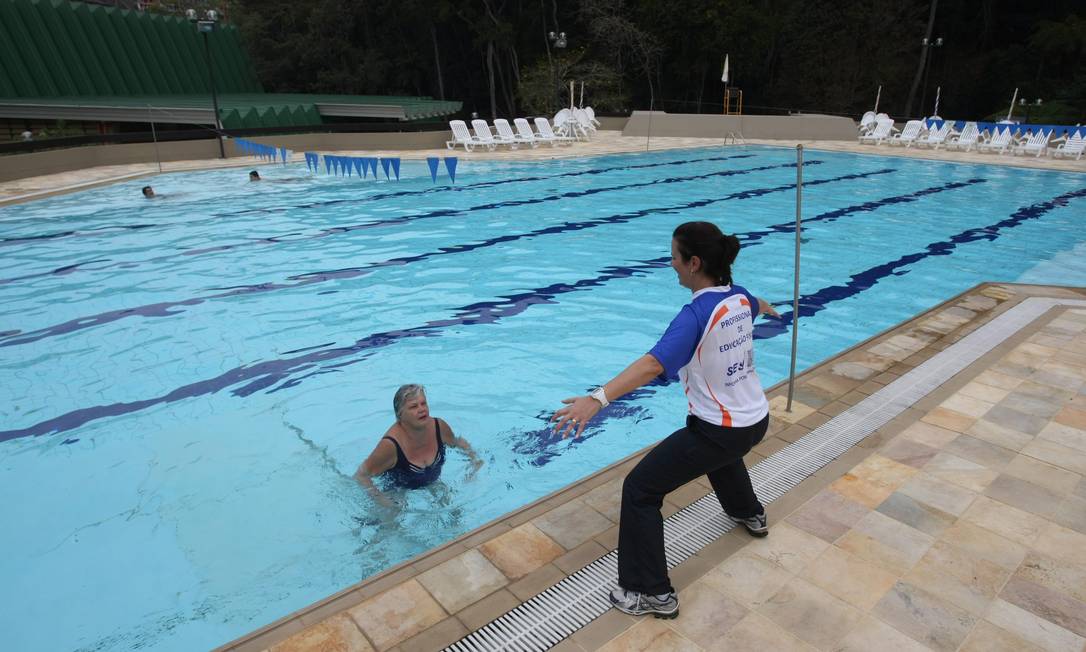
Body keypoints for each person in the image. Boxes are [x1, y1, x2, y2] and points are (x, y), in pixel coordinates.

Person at [552, 221, 780, 619]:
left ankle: (650, 592)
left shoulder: (694, 316)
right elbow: (755, 303)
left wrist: (597, 399)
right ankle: (750, 512)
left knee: (640, 489)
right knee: (722, 454)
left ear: (694, 263)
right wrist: (766, 306)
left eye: (674, 256)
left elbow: (653, 364)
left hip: (720, 430)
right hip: (756, 419)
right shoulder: (740, 298)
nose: (670, 263)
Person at [355, 384, 481, 506]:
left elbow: (457, 442)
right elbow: (361, 475)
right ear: (400, 414)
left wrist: (475, 460)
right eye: (414, 406)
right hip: (398, 489)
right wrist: (381, 499)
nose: (422, 409)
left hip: (432, 482)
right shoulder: (391, 445)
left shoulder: (439, 427)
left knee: (453, 509)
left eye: (423, 403)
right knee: (392, 517)